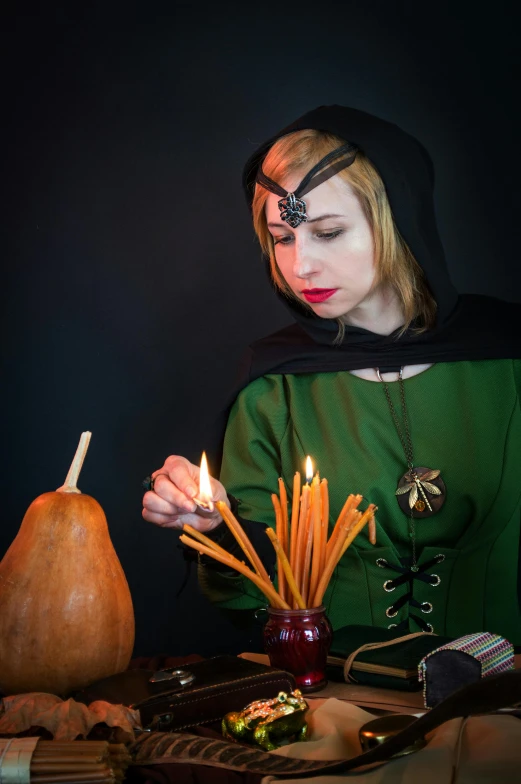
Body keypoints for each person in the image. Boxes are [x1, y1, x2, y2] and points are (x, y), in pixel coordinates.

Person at [142, 105, 521, 647]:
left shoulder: (508, 361)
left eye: (328, 232)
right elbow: (247, 598)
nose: (301, 267)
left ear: (398, 219)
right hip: (334, 698)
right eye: (283, 237)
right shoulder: (273, 386)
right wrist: (215, 527)